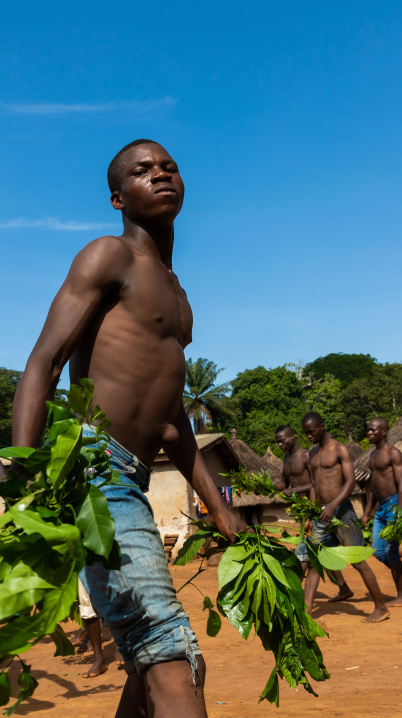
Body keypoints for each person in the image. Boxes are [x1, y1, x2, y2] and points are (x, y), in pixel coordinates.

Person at [12, 139, 246, 718]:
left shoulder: (179, 294)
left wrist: (218, 507)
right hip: (95, 466)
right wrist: (23, 462)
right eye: (143, 171)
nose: (161, 175)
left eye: (169, 167)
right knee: (169, 652)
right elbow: (45, 361)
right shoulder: (107, 256)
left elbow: (173, 420)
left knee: (155, 659)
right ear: (118, 196)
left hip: (133, 475)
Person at [301, 412, 389, 622]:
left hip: (342, 513)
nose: (309, 436)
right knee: (314, 563)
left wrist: (333, 505)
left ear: (322, 426)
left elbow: (350, 482)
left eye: (312, 432)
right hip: (321, 515)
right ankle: (306, 613)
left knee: (358, 562)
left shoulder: (339, 449)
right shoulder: (312, 454)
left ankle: (381, 607)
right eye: (305, 433)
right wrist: (311, 513)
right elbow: (314, 486)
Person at [274, 425, 353, 603]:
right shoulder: (287, 459)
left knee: (306, 553)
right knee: (320, 552)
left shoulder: (307, 456)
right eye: (277, 442)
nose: (280, 444)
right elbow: (283, 484)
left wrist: (308, 507)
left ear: (292, 436)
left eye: (282, 440)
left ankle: (292, 596)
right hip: (302, 512)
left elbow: (316, 483)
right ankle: (344, 588)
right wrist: (266, 487)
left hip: (315, 510)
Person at [361, 418, 402, 606]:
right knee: (378, 552)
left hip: (396, 504)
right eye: (368, 430)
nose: (369, 433)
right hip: (381, 508)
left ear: (384, 431)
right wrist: (366, 512)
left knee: (391, 551)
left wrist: (401, 513)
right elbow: (372, 488)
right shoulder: (373, 456)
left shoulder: (393, 453)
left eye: (373, 430)